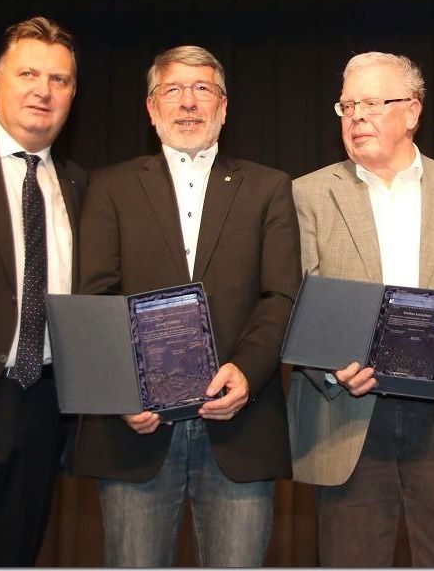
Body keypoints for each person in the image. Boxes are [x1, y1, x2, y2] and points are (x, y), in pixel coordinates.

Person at [287, 51, 434, 567]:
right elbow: (293, 304)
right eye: (347, 105)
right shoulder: (307, 195)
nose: (357, 116)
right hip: (347, 415)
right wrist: (329, 367)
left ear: (412, 112)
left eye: (372, 103)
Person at [67, 46, 301, 566]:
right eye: (173, 90)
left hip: (241, 423)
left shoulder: (269, 188)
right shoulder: (109, 187)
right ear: (151, 108)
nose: (188, 103)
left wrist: (246, 370)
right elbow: (95, 296)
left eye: (203, 90)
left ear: (224, 106)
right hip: (136, 427)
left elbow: (280, 294)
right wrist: (124, 389)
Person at [0, 17, 84, 565]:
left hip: (43, 412)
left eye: (60, 79)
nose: (43, 90)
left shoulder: (81, 184)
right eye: (28, 73)